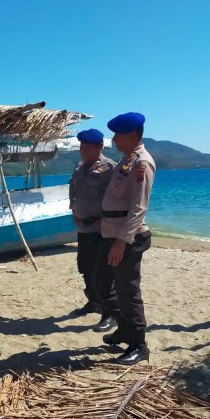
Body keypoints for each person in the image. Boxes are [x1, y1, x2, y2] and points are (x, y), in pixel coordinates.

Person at [92, 112, 156, 365]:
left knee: (128, 291)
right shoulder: (127, 159)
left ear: (131, 135)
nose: (114, 139)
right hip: (110, 232)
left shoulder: (142, 162)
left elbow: (138, 207)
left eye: (118, 134)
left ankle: (139, 344)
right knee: (100, 282)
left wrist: (122, 241)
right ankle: (124, 328)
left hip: (126, 238)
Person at [68, 129, 117, 322]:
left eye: (88, 147)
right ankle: (94, 302)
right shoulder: (80, 166)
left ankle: (110, 312)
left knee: (102, 272)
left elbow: (116, 198)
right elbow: (75, 191)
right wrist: (74, 210)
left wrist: (106, 218)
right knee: (85, 267)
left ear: (100, 147)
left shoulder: (110, 168)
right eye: (81, 146)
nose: (83, 150)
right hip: (83, 227)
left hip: (100, 229)